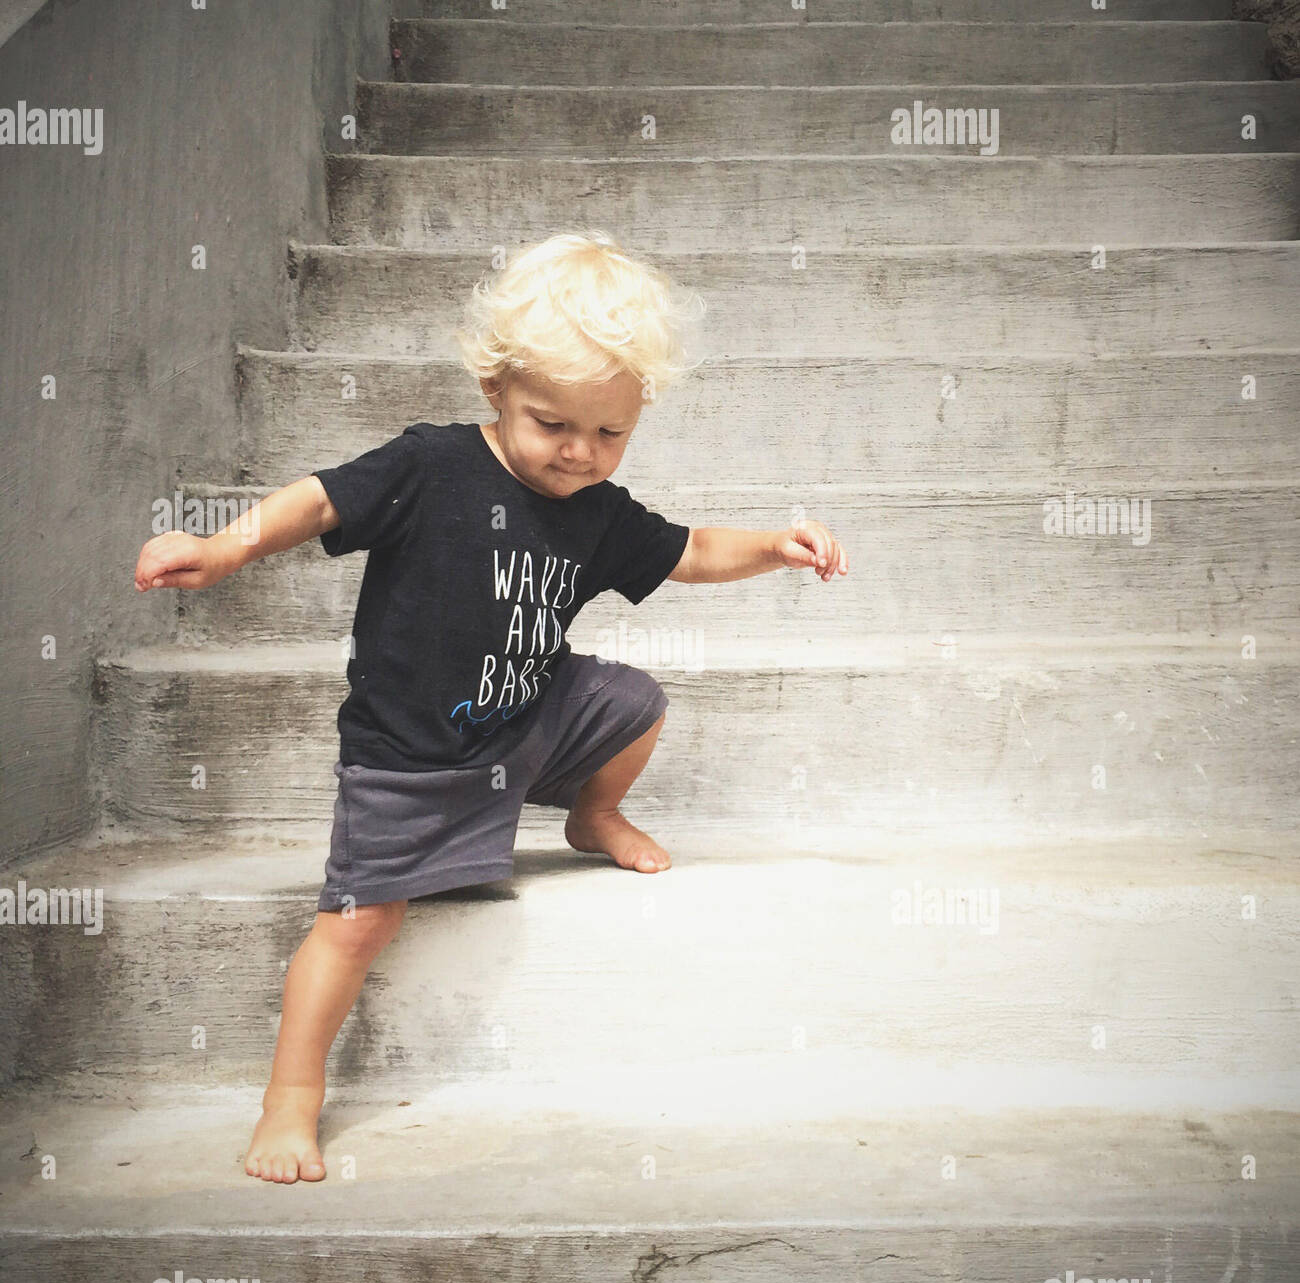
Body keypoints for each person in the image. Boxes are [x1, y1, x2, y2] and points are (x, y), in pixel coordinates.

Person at [133, 230, 849, 1184]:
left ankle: (591, 817)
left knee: (633, 702)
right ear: (495, 390)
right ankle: (290, 1100)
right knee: (355, 925)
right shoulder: (430, 466)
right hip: (412, 758)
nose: (581, 453)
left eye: (610, 433)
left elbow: (689, 552)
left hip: (526, 722)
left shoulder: (596, 511)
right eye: (554, 423)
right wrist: (222, 550)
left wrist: (776, 545)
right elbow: (312, 504)